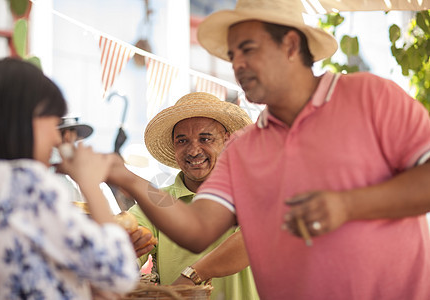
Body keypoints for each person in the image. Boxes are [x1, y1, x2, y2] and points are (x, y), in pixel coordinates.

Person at [105, 0, 430, 298]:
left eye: (248, 50)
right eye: (233, 56)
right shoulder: (243, 148)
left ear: (289, 44)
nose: (238, 65)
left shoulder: (370, 96)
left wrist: (347, 206)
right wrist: (124, 176)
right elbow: (197, 228)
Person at [0, 58, 139, 299]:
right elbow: (120, 272)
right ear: (24, 120)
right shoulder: (26, 184)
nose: (57, 140)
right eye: (54, 125)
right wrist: (90, 183)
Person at [130, 92, 259, 299]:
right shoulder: (157, 202)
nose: (193, 150)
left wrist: (191, 277)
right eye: (182, 141)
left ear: (226, 141)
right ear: (174, 146)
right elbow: (127, 241)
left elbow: (252, 240)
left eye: (205, 138)